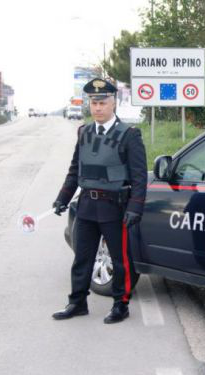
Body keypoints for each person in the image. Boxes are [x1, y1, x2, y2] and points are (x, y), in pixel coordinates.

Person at [51, 78, 147, 324]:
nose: (97, 108)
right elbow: (75, 169)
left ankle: (120, 305)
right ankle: (77, 302)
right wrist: (62, 198)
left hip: (115, 207)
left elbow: (139, 177)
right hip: (86, 206)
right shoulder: (84, 132)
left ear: (113, 102)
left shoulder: (129, 135)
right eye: (94, 103)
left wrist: (135, 208)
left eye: (102, 102)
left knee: (120, 260)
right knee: (82, 257)